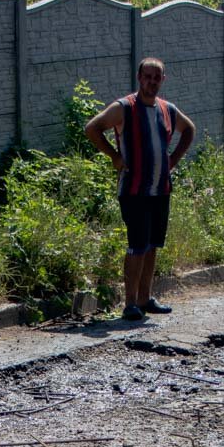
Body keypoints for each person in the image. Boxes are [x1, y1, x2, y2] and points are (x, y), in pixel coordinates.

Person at [85, 57, 196, 321]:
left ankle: (146, 298)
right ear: (139, 78)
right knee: (137, 245)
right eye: (147, 76)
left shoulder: (167, 109)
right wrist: (114, 156)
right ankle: (130, 303)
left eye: (156, 78)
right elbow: (92, 128)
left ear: (163, 80)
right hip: (134, 191)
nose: (152, 82)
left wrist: (173, 160)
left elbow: (189, 129)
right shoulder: (124, 108)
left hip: (160, 189)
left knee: (152, 244)